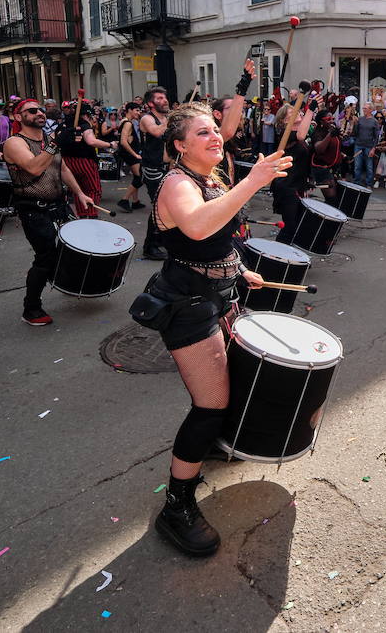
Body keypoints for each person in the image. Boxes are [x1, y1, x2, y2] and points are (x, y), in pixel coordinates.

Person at [139, 103, 291, 556]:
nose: (214, 137)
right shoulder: (176, 184)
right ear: (180, 145)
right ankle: (177, 505)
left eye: (215, 131)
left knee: (228, 390)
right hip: (187, 306)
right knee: (210, 406)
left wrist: (240, 269)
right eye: (202, 133)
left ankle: (211, 447)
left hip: (219, 296)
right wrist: (253, 181)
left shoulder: (211, 178)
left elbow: (222, 234)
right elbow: (201, 226)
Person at [3, 99, 93, 326]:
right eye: (31, 111)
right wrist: (54, 144)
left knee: (70, 248)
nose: (39, 113)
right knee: (45, 257)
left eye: (41, 110)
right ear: (18, 117)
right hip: (33, 208)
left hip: (58, 204)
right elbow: (34, 167)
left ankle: (65, 282)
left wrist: (80, 193)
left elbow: (61, 168)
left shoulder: (45, 139)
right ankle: (31, 308)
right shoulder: (15, 142)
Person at [271, 103, 315, 246]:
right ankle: (275, 259)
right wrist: (311, 110)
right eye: (292, 112)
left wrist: (309, 180)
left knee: (297, 226)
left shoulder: (300, 133)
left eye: (298, 111)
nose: (298, 113)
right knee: (289, 227)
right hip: (286, 186)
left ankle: (289, 259)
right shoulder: (286, 134)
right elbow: (301, 135)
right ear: (284, 120)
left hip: (298, 185)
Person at [140, 87, 171, 260]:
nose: (165, 100)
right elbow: (157, 132)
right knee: (159, 207)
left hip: (167, 167)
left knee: (168, 207)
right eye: (160, 98)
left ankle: (160, 239)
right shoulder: (146, 118)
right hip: (152, 168)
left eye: (165, 97)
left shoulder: (166, 117)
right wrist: (170, 120)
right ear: (151, 103)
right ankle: (149, 246)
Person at [116, 102, 146, 213]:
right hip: (130, 154)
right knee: (140, 178)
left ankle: (135, 201)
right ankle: (124, 200)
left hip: (129, 153)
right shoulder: (127, 123)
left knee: (136, 177)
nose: (139, 112)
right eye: (137, 110)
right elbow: (123, 142)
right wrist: (135, 154)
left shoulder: (125, 122)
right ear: (129, 110)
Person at [351, 103, 382, 188]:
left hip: (369, 146)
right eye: (363, 108)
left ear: (370, 110)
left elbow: (376, 137)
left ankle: (369, 184)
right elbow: (355, 132)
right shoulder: (360, 119)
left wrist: (373, 149)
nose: (363, 110)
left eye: (365, 108)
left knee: (369, 166)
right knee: (357, 166)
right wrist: (355, 123)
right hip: (358, 145)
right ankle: (357, 183)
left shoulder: (375, 121)